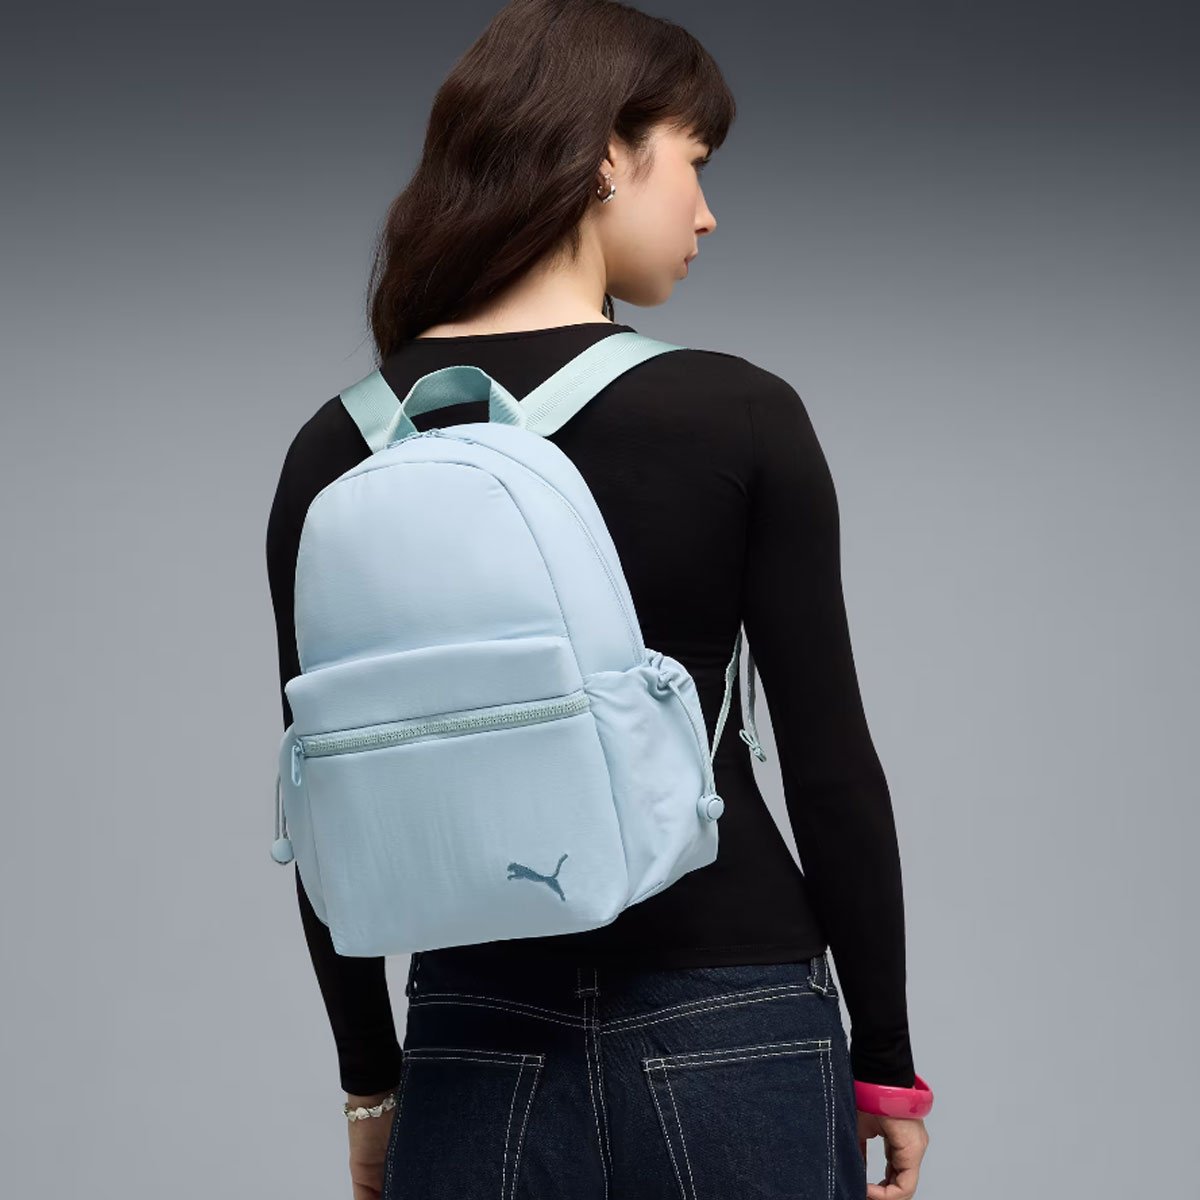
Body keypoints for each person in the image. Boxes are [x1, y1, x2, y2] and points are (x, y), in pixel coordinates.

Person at [266, 2, 932, 1197]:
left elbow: (331, 799)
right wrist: (885, 1063)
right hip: (733, 1008)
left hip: (474, 1030)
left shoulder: (339, 447)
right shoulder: (738, 413)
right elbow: (831, 767)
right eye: (694, 162)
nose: (707, 213)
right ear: (606, 153)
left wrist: (372, 1083)